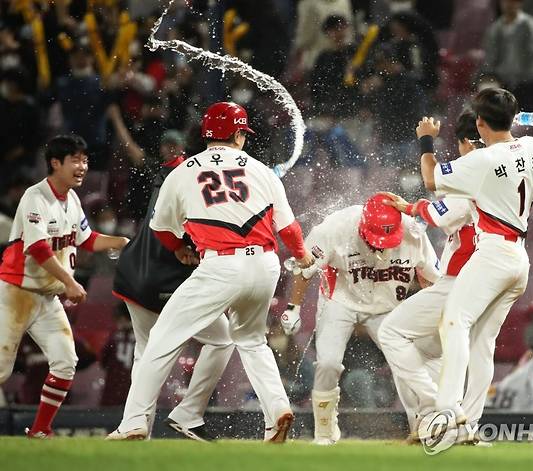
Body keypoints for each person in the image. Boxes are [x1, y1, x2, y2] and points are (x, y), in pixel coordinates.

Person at [107, 102, 313, 442]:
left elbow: (161, 230)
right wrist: (303, 256)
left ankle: (133, 423)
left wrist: (180, 249)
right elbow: (288, 229)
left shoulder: (182, 171)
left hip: (220, 264)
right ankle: (277, 410)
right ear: (236, 133)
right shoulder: (261, 170)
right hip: (264, 264)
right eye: (243, 133)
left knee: (162, 338)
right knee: (251, 341)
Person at [419, 87, 533, 442]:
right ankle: (468, 426)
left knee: (454, 322)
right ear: (512, 117)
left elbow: (431, 180)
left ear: (479, 123)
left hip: (492, 254)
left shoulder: (483, 159)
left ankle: (447, 413)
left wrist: (426, 142)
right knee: (482, 342)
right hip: (519, 259)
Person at [280, 193, 442, 445]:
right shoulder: (336, 227)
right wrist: (293, 307)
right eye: (378, 239)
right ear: (363, 226)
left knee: (406, 362)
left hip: (387, 305)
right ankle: (324, 432)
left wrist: (433, 312)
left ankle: (421, 426)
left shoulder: (413, 232)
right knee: (328, 364)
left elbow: (429, 275)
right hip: (341, 300)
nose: (382, 245)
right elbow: (305, 266)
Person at [0, 134, 129, 438]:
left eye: (85, 160)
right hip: (16, 292)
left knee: (65, 363)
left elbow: (86, 239)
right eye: (75, 159)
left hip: (46, 298)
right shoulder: (36, 196)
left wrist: (123, 242)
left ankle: (41, 430)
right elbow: (39, 249)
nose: (83, 166)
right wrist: (69, 281)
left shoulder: (71, 198)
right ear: (55, 163)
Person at [111, 133, 236, 441]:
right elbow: (192, 239)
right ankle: (188, 413)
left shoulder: (168, 173)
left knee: (146, 352)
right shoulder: (196, 182)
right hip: (166, 280)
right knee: (222, 339)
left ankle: (136, 425)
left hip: (133, 277)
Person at [378, 108, 484, 444]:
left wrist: (410, 206)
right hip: (484, 278)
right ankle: (430, 426)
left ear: (467, 142)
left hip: (460, 280)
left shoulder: (474, 171)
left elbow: (438, 206)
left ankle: (441, 410)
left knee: (391, 331)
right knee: (426, 351)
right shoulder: (502, 171)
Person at [482, 0, 533, 109]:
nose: (509, 5)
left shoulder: (531, 27)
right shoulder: (495, 29)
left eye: (513, 2)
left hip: (527, 85)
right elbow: (490, 59)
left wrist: (525, 78)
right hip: (502, 84)